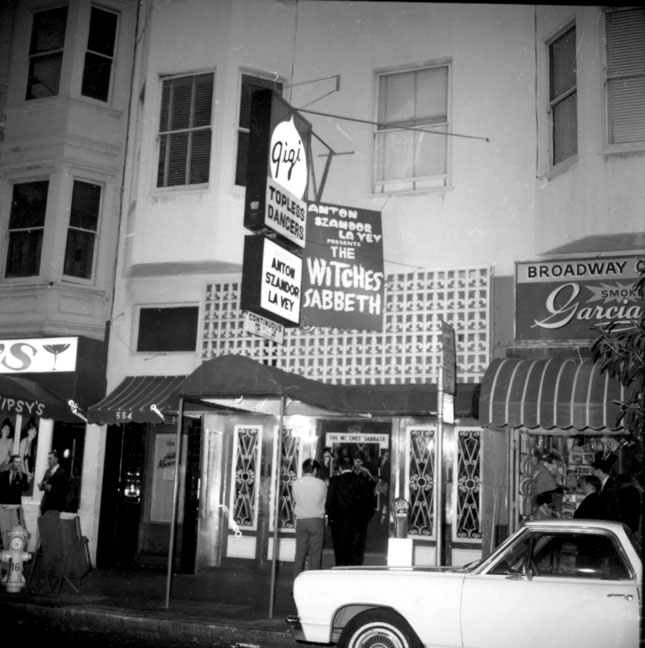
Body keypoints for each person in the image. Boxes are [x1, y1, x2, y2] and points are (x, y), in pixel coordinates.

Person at [326, 455, 373, 566]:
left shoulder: (334, 481)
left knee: (341, 556)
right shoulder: (362, 480)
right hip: (358, 525)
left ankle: (341, 575)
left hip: (338, 525)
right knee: (356, 556)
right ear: (352, 467)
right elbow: (370, 504)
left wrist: (332, 520)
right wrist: (364, 521)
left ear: (340, 468)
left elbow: (329, 504)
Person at [291, 458, 327, 581]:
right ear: (315, 470)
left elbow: (295, 499)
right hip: (316, 521)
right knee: (315, 554)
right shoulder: (321, 484)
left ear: (303, 470)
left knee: (300, 554)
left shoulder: (296, 483)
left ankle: (296, 581)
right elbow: (324, 501)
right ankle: (313, 582)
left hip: (301, 521)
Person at [38, 450, 69, 514]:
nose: (48, 460)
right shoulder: (47, 471)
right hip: (45, 506)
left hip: (55, 507)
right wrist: (41, 485)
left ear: (56, 459)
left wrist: (51, 488)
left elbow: (65, 490)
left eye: (50, 458)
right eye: (48, 459)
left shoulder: (62, 472)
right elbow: (44, 482)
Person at [19, 418, 38, 485]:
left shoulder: (30, 443)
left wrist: (28, 473)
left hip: (23, 470)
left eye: (35, 430)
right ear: (28, 431)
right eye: (32, 430)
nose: (34, 432)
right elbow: (21, 459)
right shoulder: (25, 441)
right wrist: (25, 474)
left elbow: (26, 460)